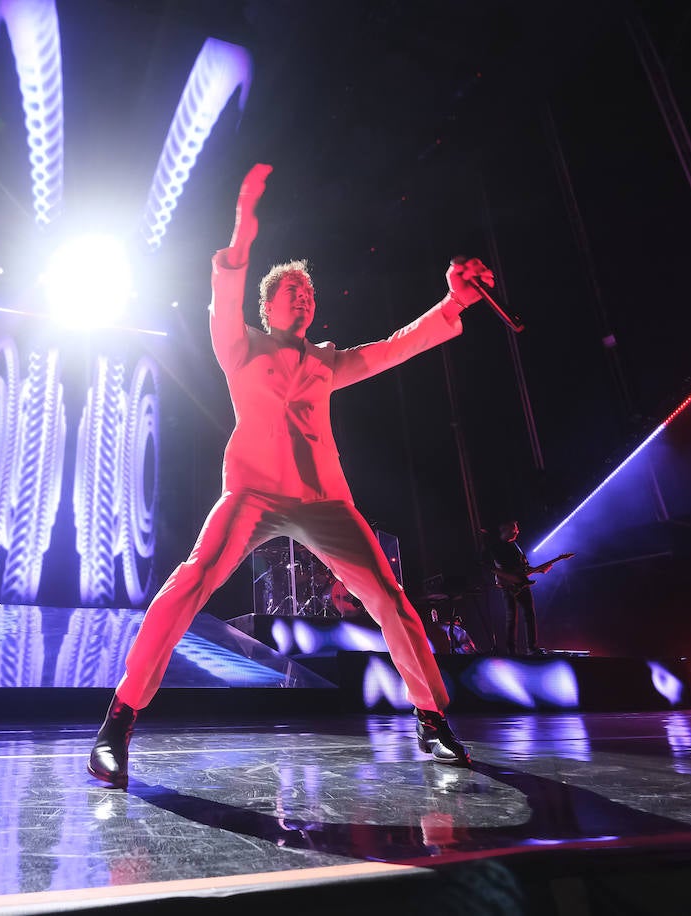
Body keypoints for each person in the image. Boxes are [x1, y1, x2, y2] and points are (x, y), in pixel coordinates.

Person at [88, 163, 492, 787]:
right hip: (251, 492)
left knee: (390, 600)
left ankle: (431, 718)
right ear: (268, 304)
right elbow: (226, 291)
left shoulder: (329, 361)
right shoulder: (240, 345)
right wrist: (243, 233)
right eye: (292, 289)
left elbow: (394, 347)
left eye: (310, 291)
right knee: (190, 581)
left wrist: (455, 302)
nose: (305, 296)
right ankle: (119, 720)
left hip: (324, 501)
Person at [487, 520, 541, 656]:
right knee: (512, 616)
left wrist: (538, 569)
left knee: (529, 614)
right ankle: (512, 651)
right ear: (505, 530)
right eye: (514, 530)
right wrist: (511, 578)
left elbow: (523, 566)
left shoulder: (515, 545)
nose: (517, 532)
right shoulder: (496, 547)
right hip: (509, 585)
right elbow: (496, 568)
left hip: (522, 583)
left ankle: (532, 648)